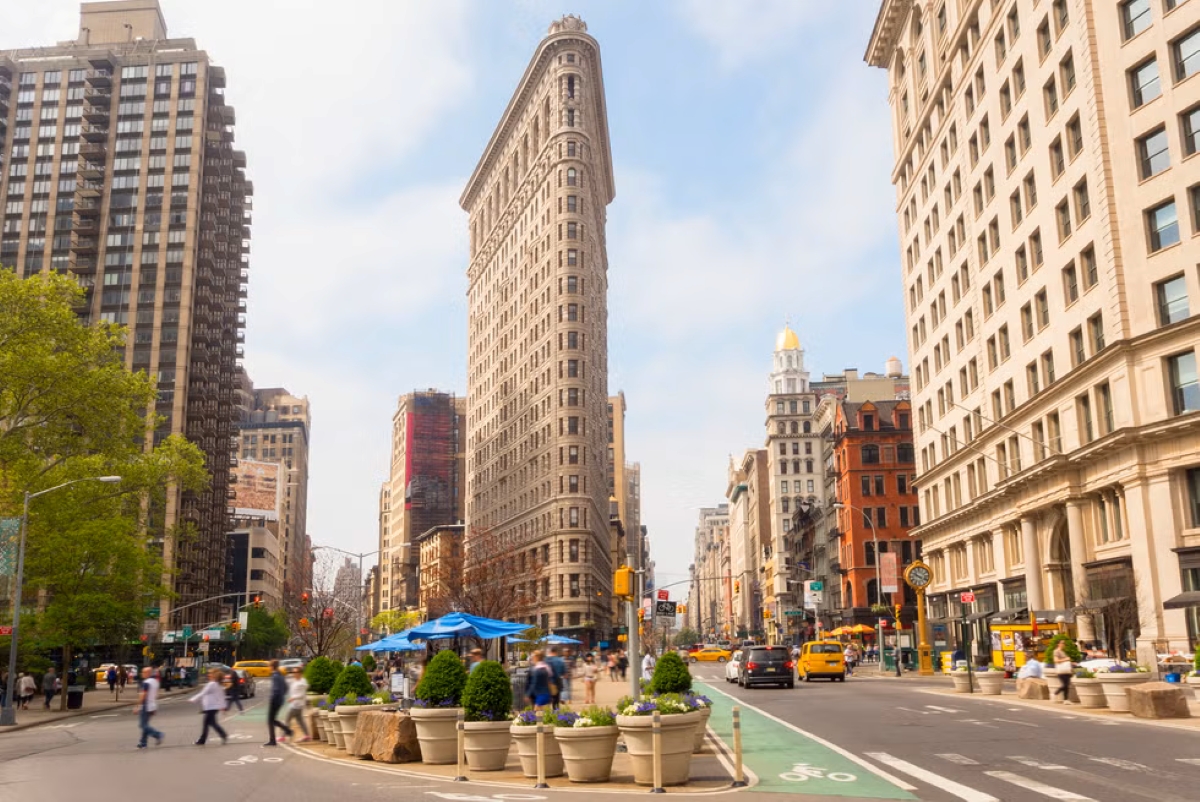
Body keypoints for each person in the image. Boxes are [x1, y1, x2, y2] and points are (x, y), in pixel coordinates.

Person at [191, 668, 228, 745]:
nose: (208, 675)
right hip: (212, 708)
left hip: (210, 708)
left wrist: (193, 699)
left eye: (210, 673)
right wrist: (223, 707)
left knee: (208, 724)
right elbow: (221, 696)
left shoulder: (211, 684)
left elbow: (202, 693)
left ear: (214, 675)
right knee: (211, 723)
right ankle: (222, 735)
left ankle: (203, 740)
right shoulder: (217, 684)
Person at [264, 659, 294, 746]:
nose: (269, 668)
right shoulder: (280, 675)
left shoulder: (275, 676)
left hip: (275, 701)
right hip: (280, 700)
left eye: (269, 666)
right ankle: (288, 730)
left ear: (272, 667)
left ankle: (273, 740)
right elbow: (286, 687)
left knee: (270, 721)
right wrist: (281, 695)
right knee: (272, 720)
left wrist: (272, 698)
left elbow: (276, 690)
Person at [135, 666, 165, 749]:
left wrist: (137, 706)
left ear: (148, 673)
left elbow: (143, 695)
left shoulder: (146, 682)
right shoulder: (156, 682)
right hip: (152, 705)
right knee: (145, 724)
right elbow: (156, 695)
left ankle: (158, 734)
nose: (142, 674)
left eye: (143, 672)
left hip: (146, 705)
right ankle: (143, 742)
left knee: (142, 725)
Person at [284, 667, 310, 742]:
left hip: (296, 705)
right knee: (300, 721)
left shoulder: (301, 683)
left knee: (287, 720)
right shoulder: (296, 681)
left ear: (300, 673)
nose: (294, 674)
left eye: (296, 672)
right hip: (296, 705)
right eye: (293, 672)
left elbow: (301, 695)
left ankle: (283, 736)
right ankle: (307, 735)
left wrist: (293, 698)